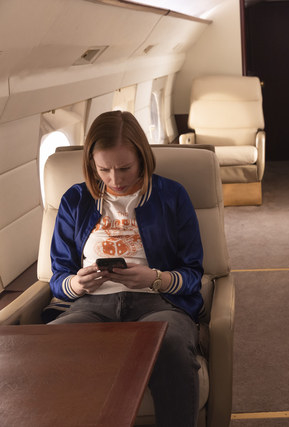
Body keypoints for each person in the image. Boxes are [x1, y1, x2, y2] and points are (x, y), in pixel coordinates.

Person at [48, 110, 203, 427]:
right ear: (91, 162)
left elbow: (193, 273)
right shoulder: (75, 200)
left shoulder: (172, 196)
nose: (115, 179)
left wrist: (155, 278)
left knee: (170, 345)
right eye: (103, 169)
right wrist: (78, 285)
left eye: (124, 168)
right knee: (52, 345)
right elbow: (58, 276)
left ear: (142, 158)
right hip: (90, 305)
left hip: (159, 303)